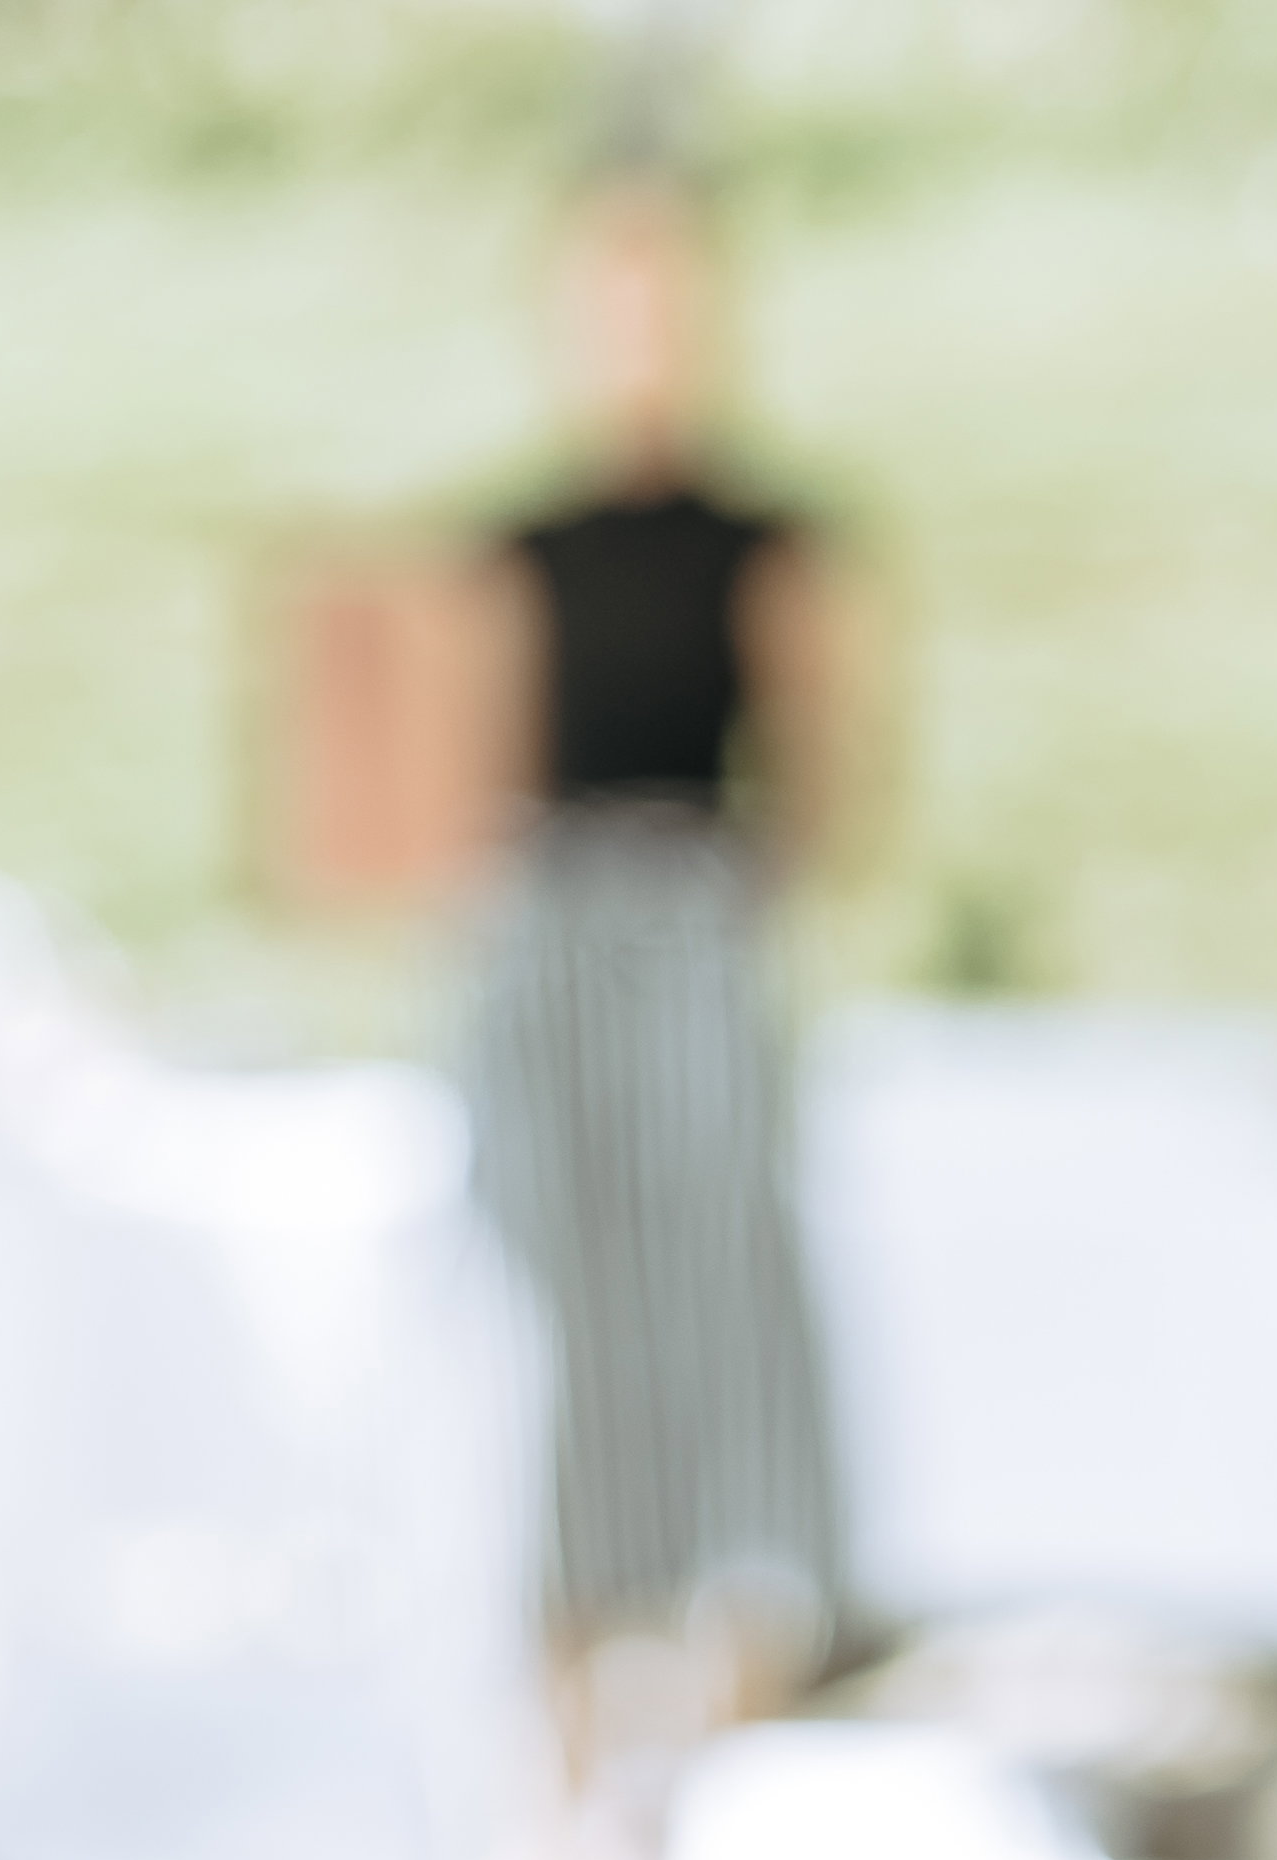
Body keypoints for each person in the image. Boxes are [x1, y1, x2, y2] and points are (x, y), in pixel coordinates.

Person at [468, 163, 857, 1777]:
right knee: (565, 1294)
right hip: (549, 923)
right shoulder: (510, 547)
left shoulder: (772, 540)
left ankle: (732, 1715)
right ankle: (563, 1721)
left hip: (696, 914)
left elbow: (828, 776)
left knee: (722, 1283)